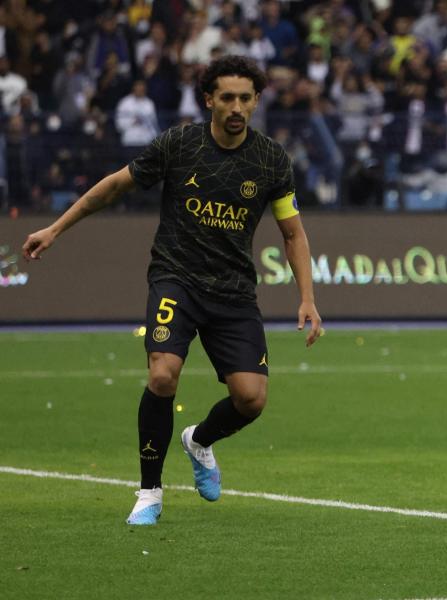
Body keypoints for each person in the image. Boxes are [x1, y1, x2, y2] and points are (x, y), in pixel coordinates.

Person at [22, 55, 322, 526]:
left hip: (233, 292)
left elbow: (293, 234)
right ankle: (149, 492)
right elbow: (114, 187)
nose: (237, 106)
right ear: (209, 100)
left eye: (246, 97)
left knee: (252, 399)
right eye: (227, 97)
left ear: (257, 100)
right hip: (175, 279)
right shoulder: (179, 144)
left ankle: (199, 440)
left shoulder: (270, 159)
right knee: (163, 376)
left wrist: (307, 297)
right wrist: (56, 229)